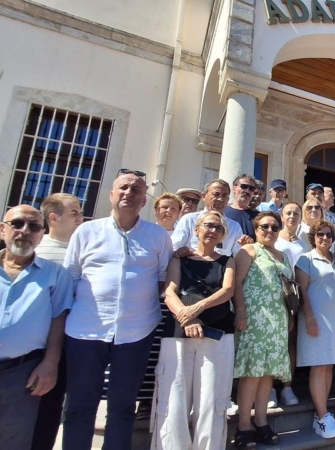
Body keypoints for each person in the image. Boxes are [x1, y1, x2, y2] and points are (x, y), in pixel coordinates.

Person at [63, 169, 173, 450]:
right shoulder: (86, 232)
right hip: (86, 331)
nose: (128, 193)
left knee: (123, 407)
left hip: (136, 331)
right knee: (79, 406)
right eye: (123, 188)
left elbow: (163, 279)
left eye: (136, 189)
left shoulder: (158, 236)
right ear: (111, 194)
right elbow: (71, 278)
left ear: (144, 200)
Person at [151, 211, 236, 450]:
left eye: (218, 228)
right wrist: (186, 318)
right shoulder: (179, 259)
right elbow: (170, 292)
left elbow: (227, 290)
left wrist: (198, 307)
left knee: (212, 400)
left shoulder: (227, 261)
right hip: (178, 335)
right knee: (174, 398)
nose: (213, 231)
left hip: (217, 335)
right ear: (196, 229)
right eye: (208, 225)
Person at [0, 205, 72, 449]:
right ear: (2, 230)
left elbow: (58, 320)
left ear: (42, 235)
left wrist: (50, 364)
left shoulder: (55, 275)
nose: (24, 231)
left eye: (33, 226)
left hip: (22, 375)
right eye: (17, 224)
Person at [232, 211, 292, 448]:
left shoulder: (284, 256)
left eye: (274, 227)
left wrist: (290, 316)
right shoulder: (248, 251)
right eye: (264, 226)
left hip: (277, 321)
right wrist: (240, 311)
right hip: (254, 320)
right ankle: (243, 426)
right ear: (256, 229)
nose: (270, 231)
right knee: (252, 372)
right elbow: (236, 282)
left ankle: (261, 421)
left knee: (268, 372)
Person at [33, 193, 83, 450]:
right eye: (74, 213)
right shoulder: (35, 251)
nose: (80, 218)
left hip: (70, 342)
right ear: (53, 218)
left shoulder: (84, 249)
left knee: (52, 409)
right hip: (34, 345)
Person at [295, 220, 335, 439]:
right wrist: (309, 317)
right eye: (320, 234)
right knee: (318, 366)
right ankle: (323, 415)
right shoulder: (305, 259)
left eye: (328, 235)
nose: (325, 238)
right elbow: (302, 291)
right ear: (313, 237)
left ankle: (321, 416)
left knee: (327, 366)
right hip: (315, 319)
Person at [135, 192, 183, 421]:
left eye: (173, 208)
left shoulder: (182, 237)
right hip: (145, 298)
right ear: (155, 210)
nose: (168, 212)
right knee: (143, 352)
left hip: (170, 301)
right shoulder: (143, 233)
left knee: (161, 353)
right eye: (164, 207)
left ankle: (157, 398)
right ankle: (142, 401)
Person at [273, 202, 310, 407]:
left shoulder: (304, 244)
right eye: (288, 213)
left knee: (291, 344)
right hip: (275, 296)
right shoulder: (274, 239)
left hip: (296, 298)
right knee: (274, 343)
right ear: (281, 216)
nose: (292, 216)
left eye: (296, 213)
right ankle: (270, 387)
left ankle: (287, 386)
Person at [172, 179, 246, 257]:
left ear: (228, 199)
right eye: (216, 194)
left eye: (224, 196)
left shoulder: (234, 227)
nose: (220, 199)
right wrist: (181, 252)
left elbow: (238, 256)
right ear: (204, 196)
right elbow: (174, 247)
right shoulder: (189, 220)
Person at [225, 174, 261, 240]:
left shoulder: (258, 217)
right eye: (244, 186)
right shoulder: (223, 213)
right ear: (233, 189)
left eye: (251, 188)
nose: (247, 191)